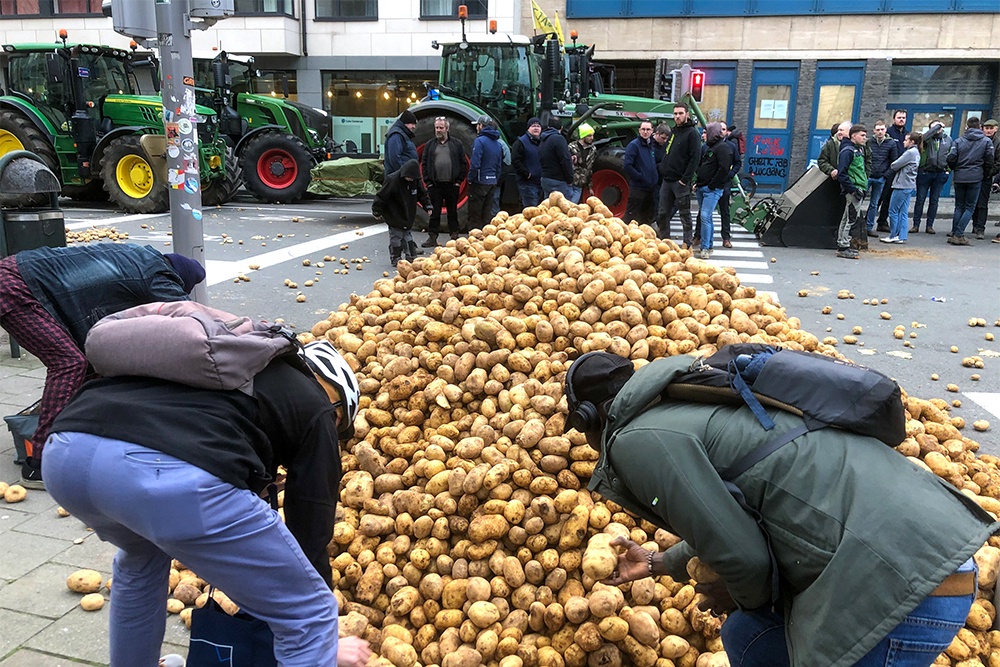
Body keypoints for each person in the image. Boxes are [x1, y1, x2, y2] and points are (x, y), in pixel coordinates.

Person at [562, 351, 997, 667]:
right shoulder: (693, 400)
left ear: (586, 419)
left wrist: (742, 597)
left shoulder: (636, 442)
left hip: (902, 591)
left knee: (748, 621)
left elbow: (745, 560)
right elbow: (736, 517)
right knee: (746, 635)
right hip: (941, 557)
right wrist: (660, 562)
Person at [41, 339, 372, 667]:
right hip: (165, 475)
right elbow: (311, 526)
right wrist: (322, 640)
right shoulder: (318, 408)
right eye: (338, 424)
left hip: (66, 454)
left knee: (141, 561)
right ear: (336, 403)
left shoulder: (223, 370)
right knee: (310, 613)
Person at [0, 244, 205, 489]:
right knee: (69, 363)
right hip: (12, 286)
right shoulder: (160, 277)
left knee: (85, 363)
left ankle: (77, 440)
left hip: (17, 275)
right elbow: (195, 322)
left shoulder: (139, 257)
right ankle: (38, 464)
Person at [372, 159, 432, 267]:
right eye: (408, 177)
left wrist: (427, 206)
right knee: (396, 237)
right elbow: (382, 196)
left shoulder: (415, 180)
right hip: (394, 213)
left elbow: (422, 194)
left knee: (407, 237)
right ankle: (396, 258)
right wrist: (377, 211)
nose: (410, 179)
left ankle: (411, 257)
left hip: (408, 214)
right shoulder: (392, 180)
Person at [656, 104, 701, 244]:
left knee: (684, 214)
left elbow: (695, 158)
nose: (677, 116)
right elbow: (667, 152)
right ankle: (665, 242)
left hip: (680, 182)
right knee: (662, 213)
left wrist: (685, 179)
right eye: (675, 113)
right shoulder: (674, 132)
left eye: (680, 113)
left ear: (687, 114)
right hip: (667, 180)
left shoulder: (692, 134)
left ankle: (687, 243)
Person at [946, 117, 994, 246]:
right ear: (980, 127)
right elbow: (989, 160)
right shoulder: (986, 141)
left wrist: (955, 168)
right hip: (976, 176)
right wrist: (985, 174)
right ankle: (959, 234)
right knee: (969, 207)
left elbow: (951, 158)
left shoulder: (958, 141)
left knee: (959, 206)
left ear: (967, 127)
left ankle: (954, 232)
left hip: (960, 176)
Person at [420, 116, 467, 247]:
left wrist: (458, 181)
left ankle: (454, 236)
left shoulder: (456, 144)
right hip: (435, 185)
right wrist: (428, 182)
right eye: (436, 128)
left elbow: (463, 163)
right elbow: (424, 164)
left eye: (441, 127)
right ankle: (432, 237)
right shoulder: (430, 145)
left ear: (447, 128)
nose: (438, 130)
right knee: (434, 213)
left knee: (452, 212)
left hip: (452, 185)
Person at [693, 122, 733, 259]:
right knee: (707, 217)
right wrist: (698, 183)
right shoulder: (710, 147)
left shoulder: (723, 148)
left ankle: (705, 247)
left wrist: (711, 185)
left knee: (705, 216)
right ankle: (708, 246)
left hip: (712, 189)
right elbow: (704, 167)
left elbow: (723, 169)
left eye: (706, 132)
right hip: (703, 187)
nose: (703, 135)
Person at [911, 121, 953, 234]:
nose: (937, 129)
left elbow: (951, 155)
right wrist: (937, 126)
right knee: (920, 200)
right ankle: (916, 225)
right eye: (934, 127)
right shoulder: (926, 139)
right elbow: (923, 138)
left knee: (934, 201)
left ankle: (929, 225)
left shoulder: (948, 139)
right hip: (925, 173)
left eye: (939, 127)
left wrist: (948, 170)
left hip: (940, 173)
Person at [881, 131, 922, 244]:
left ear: (912, 142)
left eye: (906, 140)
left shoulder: (910, 153)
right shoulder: (917, 152)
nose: (904, 142)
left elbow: (895, 165)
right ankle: (901, 236)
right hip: (909, 185)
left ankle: (894, 235)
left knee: (893, 211)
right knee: (903, 212)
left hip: (902, 185)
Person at [836, 123, 869, 259]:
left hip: (856, 188)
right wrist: (853, 189)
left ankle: (842, 244)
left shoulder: (856, 150)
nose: (865, 138)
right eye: (862, 135)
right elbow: (842, 173)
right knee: (851, 219)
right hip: (854, 189)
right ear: (853, 136)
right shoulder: (848, 151)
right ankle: (843, 246)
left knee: (847, 218)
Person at [467, 115, 504, 230]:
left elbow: (475, 164)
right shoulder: (498, 144)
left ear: (481, 126)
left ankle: (474, 237)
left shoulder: (479, 141)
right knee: (486, 216)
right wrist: (495, 180)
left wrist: (470, 179)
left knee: (474, 216)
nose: (476, 128)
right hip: (492, 182)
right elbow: (499, 166)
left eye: (477, 125)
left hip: (479, 182)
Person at [875, 109, 909, 232]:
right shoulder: (888, 132)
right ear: (894, 119)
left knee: (890, 198)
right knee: (880, 197)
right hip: (888, 170)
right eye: (899, 117)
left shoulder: (907, 134)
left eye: (903, 118)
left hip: (901, 171)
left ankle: (882, 221)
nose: (901, 120)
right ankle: (867, 221)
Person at [864, 120, 900, 239]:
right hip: (868, 176)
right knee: (858, 201)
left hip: (881, 178)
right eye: (878, 129)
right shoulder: (868, 142)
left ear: (886, 130)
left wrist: (885, 175)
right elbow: (864, 158)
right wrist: (865, 173)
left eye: (882, 129)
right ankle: (856, 226)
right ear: (874, 130)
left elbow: (894, 162)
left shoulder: (891, 143)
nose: (880, 132)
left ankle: (869, 228)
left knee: (874, 204)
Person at [622, 120, 658, 226]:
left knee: (646, 218)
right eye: (643, 129)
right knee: (631, 217)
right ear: (639, 130)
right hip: (638, 188)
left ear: (652, 131)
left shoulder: (650, 146)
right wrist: (640, 177)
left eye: (648, 129)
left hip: (650, 189)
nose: (645, 132)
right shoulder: (634, 145)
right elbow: (627, 165)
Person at [972, 118, 1000, 239]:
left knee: (982, 203)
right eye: (986, 128)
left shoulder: (998, 143)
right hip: (975, 174)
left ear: (995, 129)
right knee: (973, 202)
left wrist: (989, 173)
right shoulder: (979, 140)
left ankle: (980, 228)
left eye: (990, 128)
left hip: (986, 176)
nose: (988, 131)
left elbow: (998, 162)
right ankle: (975, 225)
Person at [538, 116, 576, 201]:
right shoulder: (559, 139)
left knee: (549, 205)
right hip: (558, 181)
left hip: (545, 179)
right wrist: (570, 179)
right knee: (566, 206)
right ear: (561, 128)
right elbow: (565, 160)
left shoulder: (543, 139)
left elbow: (549, 157)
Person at [717, 123, 742, 248]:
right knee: (704, 212)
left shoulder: (731, 146)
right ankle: (698, 236)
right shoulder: (709, 145)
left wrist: (731, 174)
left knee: (725, 211)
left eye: (723, 129)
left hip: (724, 183)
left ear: (727, 131)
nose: (721, 131)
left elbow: (738, 163)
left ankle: (726, 238)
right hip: (709, 183)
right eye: (719, 129)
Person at [511, 117, 543, 208]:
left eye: (538, 126)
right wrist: (526, 174)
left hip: (540, 182)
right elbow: (516, 160)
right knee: (531, 209)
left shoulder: (542, 142)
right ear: (528, 128)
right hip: (527, 183)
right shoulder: (521, 142)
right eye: (533, 126)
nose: (536, 128)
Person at [383, 109, 418, 177]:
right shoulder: (396, 135)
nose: (414, 127)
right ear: (405, 123)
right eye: (412, 124)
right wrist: (403, 174)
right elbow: (394, 158)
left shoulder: (402, 135)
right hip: (397, 178)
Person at [569, 122, 598, 203]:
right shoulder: (571, 147)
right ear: (583, 136)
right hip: (569, 182)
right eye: (589, 136)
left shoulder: (593, 150)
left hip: (580, 184)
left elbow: (589, 168)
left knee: (573, 204)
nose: (592, 138)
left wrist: (590, 187)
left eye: (592, 135)